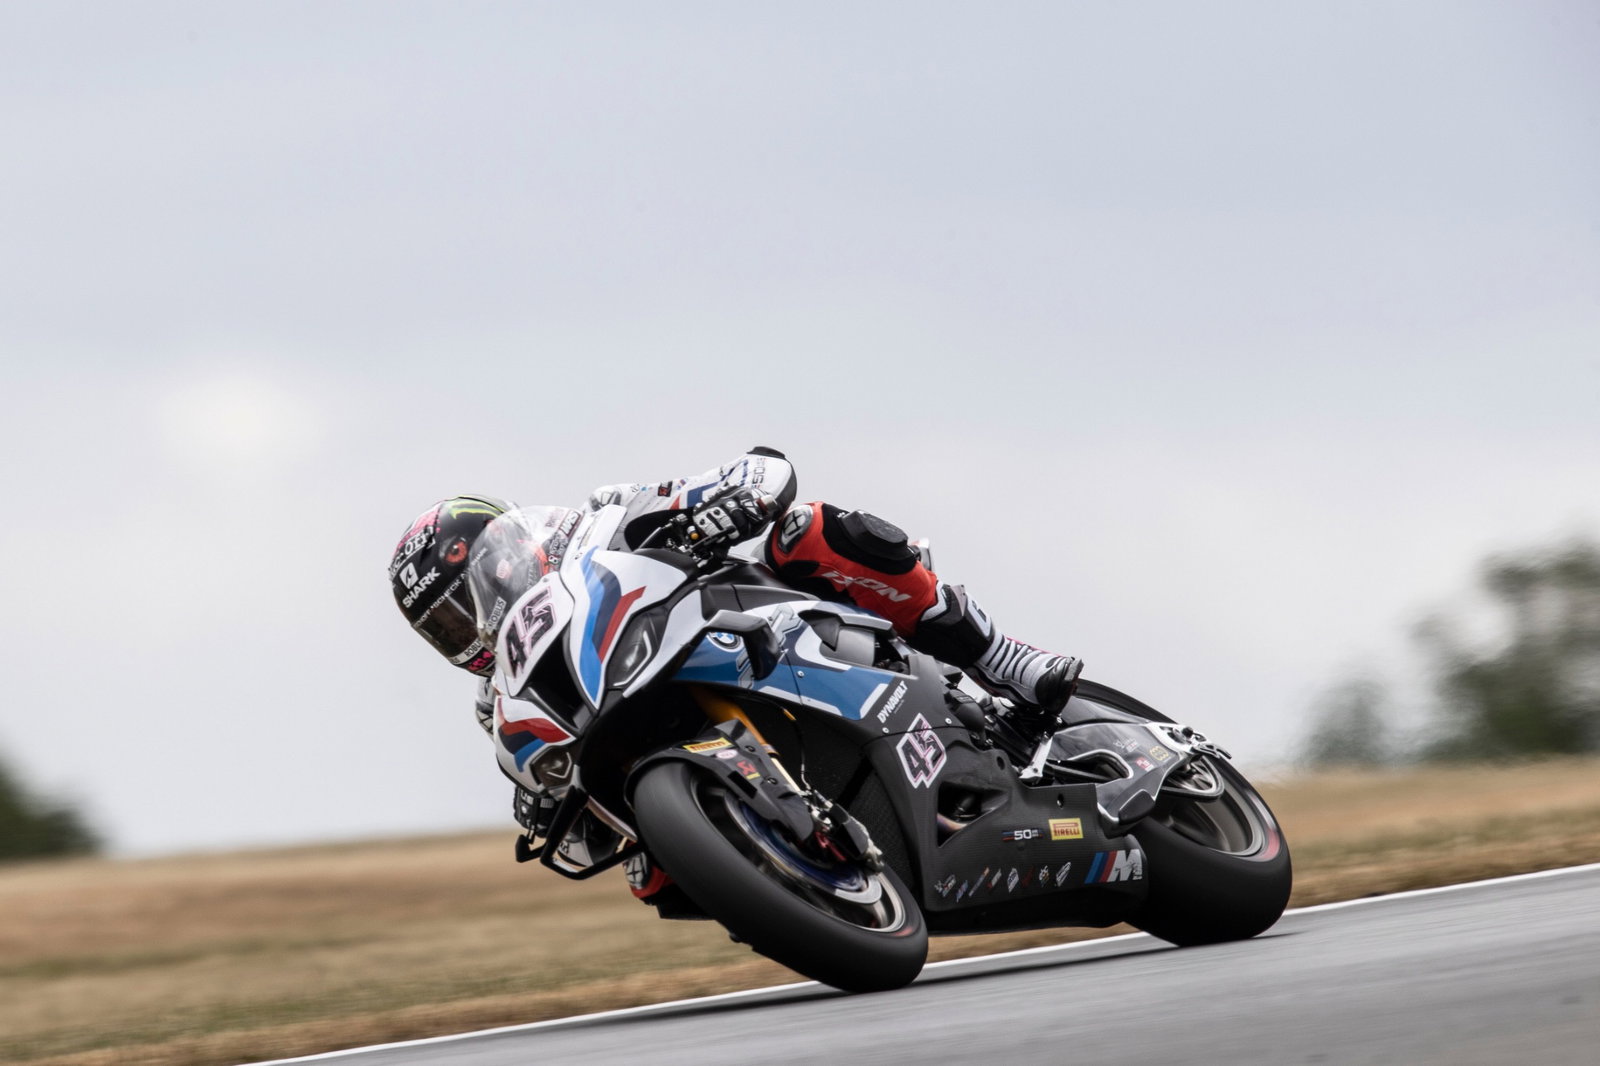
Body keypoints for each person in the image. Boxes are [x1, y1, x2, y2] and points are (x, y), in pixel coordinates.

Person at [387, 447, 1082, 862]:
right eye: (448, 627)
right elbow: (563, 833)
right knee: (646, 877)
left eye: (471, 596)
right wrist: (553, 811)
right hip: (659, 736)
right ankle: (793, 872)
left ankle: (1001, 657)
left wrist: (726, 503)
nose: (473, 627)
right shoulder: (509, 702)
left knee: (808, 532)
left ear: (513, 550)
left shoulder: (607, 522)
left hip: (753, 627)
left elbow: (762, 472)